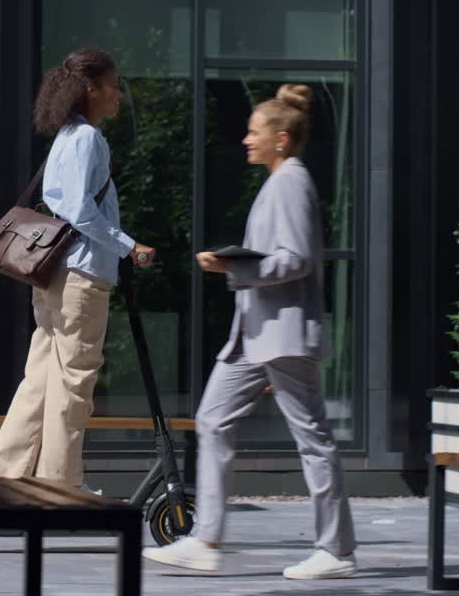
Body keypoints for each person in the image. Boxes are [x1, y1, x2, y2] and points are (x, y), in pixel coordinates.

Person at [141, 84, 357, 578]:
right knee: (213, 421)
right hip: (255, 334)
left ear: (281, 139)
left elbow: (297, 259)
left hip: (282, 336)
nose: (245, 139)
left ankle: (337, 551)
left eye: (253, 132)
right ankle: (207, 539)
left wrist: (232, 268)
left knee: (313, 439)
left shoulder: (291, 181)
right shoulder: (279, 180)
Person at [0, 47, 156, 489]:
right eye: (113, 86)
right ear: (91, 89)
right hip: (83, 276)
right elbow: (79, 210)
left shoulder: (66, 136)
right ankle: (60, 487)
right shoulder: (88, 139)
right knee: (73, 385)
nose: (117, 95)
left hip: (55, 274)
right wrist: (130, 245)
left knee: (41, 378)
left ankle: (0, 473)